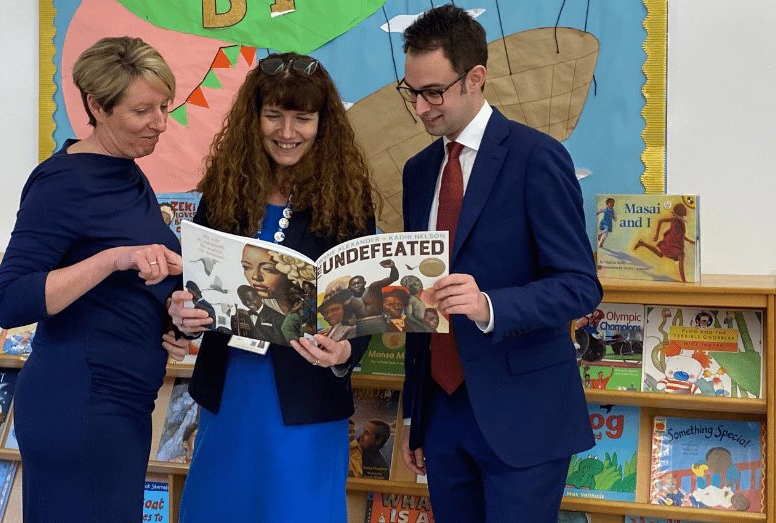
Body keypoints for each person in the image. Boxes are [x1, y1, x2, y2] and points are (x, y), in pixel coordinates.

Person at [395, 6, 602, 522]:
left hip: (523, 413)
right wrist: (416, 417)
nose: (420, 108)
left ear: (476, 79)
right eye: (412, 92)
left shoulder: (537, 157)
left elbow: (580, 286)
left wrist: (490, 305)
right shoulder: (418, 171)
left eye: (434, 92)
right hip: (441, 412)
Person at [167, 51, 376, 521]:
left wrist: (345, 354)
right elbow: (195, 288)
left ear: (323, 123)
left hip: (306, 401)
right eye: (274, 116)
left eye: (303, 118)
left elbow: (363, 306)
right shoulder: (225, 188)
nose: (287, 133)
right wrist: (183, 313)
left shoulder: (347, 198)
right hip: (230, 395)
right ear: (253, 117)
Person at [0, 36, 191, 522]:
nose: (160, 123)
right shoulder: (62, 182)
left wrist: (175, 317)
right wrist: (110, 260)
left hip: (123, 402)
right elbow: (11, 300)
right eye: (143, 110)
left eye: (164, 107)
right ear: (98, 107)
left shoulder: (126, 172)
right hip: (80, 404)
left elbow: (142, 277)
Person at [634, 202, 696, 282]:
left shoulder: (682, 222)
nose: (686, 210)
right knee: (681, 257)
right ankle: (684, 281)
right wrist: (656, 235)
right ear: (679, 211)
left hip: (677, 244)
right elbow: (660, 221)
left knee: (660, 254)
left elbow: (681, 235)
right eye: (683, 209)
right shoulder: (675, 220)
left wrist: (690, 241)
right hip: (671, 244)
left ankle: (642, 243)